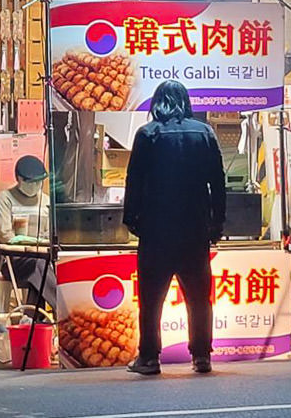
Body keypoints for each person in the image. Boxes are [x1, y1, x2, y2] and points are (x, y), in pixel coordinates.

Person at [122, 81, 226, 376]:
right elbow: (217, 182)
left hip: (156, 230)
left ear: (157, 102)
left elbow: (135, 180)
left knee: (152, 298)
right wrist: (217, 221)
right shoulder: (204, 133)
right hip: (194, 229)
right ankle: (202, 356)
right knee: (198, 296)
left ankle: (150, 358)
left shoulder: (147, 134)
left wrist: (132, 219)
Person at [0, 155, 56, 309]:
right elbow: (6, 235)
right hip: (15, 261)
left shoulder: (46, 201)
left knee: (41, 268)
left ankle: (33, 322)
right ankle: (63, 310)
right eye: (31, 182)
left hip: (42, 258)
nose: (35, 186)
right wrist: (28, 242)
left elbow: (51, 233)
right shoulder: (5, 198)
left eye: (39, 182)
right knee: (39, 266)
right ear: (19, 179)